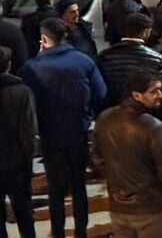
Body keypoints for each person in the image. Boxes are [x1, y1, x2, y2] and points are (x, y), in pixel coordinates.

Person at [18, 17, 106, 238]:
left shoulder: (32, 68)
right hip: (77, 130)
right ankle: (80, 230)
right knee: (78, 184)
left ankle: (57, 231)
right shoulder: (83, 61)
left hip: (50, 134)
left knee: (56, 188)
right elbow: (100, 93)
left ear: (44, 39)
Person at [92, 69, 162, 238]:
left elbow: (97, 159)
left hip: (118, 207)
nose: (160, 95)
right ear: (137, 95)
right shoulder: (153, 127)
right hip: (153, 209)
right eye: (154, 91)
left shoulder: (104, 119)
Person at [0, 45, 36, 238]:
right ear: (9, 65)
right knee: (24, 212)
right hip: (16, 164)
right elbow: (28, 131)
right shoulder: (22, 92)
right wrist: (28, 159)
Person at [97, 10, 162, 108]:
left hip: (111, 110)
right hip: (143, 111)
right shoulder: (157, 58)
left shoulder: (104, 56)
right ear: (145, 32)